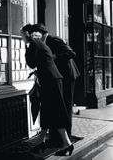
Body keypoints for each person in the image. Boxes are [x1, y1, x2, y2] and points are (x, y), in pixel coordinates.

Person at [20, 24, 74, 156]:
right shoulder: (41, 44)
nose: (22, 38)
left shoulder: (34, 44)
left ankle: (67, 143)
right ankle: (41, 140)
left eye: (23, 35)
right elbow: (44, 62)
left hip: (51, 82)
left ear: (28, 35)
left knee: (55, 111)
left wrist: (26, 47)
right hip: (52, 80)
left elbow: (31, 63)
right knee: (48, 111)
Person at [29, 23, 80, 145]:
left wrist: (54, 57)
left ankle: (65, 140)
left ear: (40, 33)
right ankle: (57, 138)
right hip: (58, 76)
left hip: (67, 76)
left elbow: (72, 53)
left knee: (65, 106)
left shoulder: (54, 40)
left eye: (35, 35)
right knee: (56, 106)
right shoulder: (43, 43)